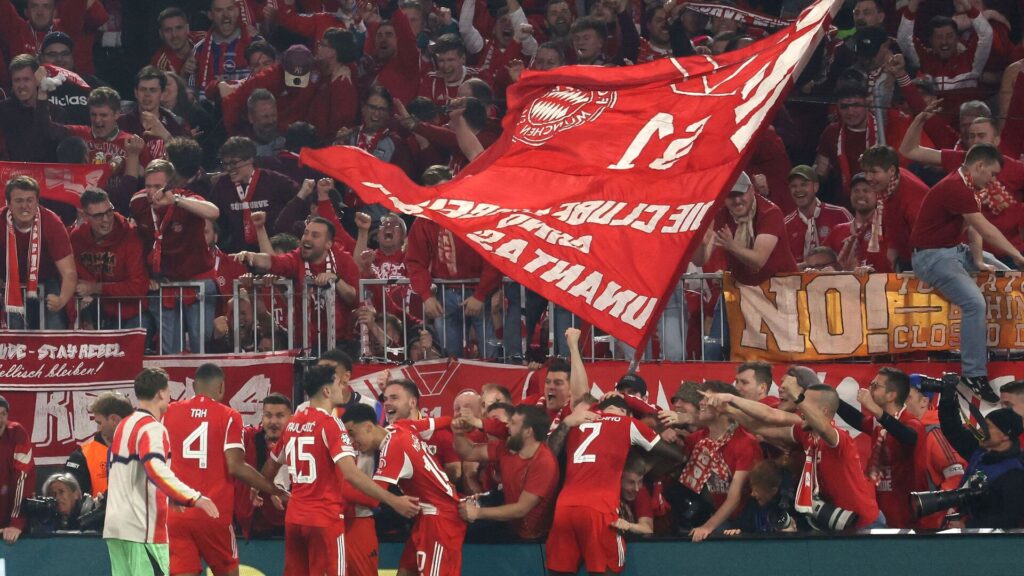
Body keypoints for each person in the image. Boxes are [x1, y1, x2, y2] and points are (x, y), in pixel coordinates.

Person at [264, 366, 419, 576]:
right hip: (325, 520)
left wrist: (269, 491)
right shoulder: (331, 425)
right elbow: (351, 474)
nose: (343, 388)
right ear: (327, 391)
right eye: (339, 384)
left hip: (294, 520)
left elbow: (269, 470)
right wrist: (394, 501)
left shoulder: (292, 425)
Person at [909, 144, 1024, 403]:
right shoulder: (955, 186)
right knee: (974, 302)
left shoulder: (969, 185)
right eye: (992, 174)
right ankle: (973, 374)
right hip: (931, 257)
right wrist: (1017, 255)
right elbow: (984, 227)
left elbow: (972, 228)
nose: (994, 180)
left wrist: (978, 260)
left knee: (1010, 280)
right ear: (980, 166)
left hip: (954, 250)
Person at [707, 369, 882, 530]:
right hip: (832, 521)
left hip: (863, 523)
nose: (800, 408)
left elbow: (822, 427)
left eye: (805, 404)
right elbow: (760, 428)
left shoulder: (839, 438)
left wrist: (797, 395)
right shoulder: (804, 434)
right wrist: (729, 409)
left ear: (824, 411)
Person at [164, 363, 285, 576]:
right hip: (213, 513)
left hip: (177, 514)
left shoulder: (170, 412)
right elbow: (236, 466)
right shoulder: (229, 415)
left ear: (193, 386)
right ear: (221, 387)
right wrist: (273, 490)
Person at [104, 368, 219, 576]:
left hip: (115, 526)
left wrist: (169, 496)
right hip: (141, 529)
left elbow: (123, 471)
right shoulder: (153, 428)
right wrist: (194, 498)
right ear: (160, 393)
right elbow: (155, 470)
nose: (170, 396)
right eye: (168, 391)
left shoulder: (124, 425)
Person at [545, 394, 665, 575]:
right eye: (632, 482)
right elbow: (674, 455)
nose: (636, 487)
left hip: (564, 506)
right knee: (606, 570)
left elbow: (547, 457)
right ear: (626, 412)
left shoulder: (577, 422)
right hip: (600, 508)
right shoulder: (626, 423)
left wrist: (567, 422)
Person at [342, 402, 466, 576]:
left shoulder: (393, 448)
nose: (351, 442)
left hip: (441, 519)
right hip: (426, 515)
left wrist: (335, 490)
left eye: (352, 433)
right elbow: (444, 421)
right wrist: (459, 422)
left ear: (369, 427)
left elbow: (373, 498)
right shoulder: (402, 426)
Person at [130, 159, 220, 354]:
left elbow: (213, 212)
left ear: (171, 186)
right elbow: (140, 242)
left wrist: (176, 201)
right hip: (165, 284)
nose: (152, 192)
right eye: (148, 186)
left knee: (200, 344)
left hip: (197, 280)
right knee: (169, 349)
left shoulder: (186, 199)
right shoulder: (138, 203)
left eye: (158, 187)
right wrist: (148, 276)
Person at [233, 216, 360, 353]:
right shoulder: (297, 257)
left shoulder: (343, 260)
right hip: (304, 343)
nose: (307, 238)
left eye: (315, 235)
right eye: (306, 233)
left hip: (339, 343)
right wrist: (251, 256)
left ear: (328, 244)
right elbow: (273, 262)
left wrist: (335, 280)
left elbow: (353, 299)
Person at [835, 367, 927, 528]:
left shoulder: (911, 423)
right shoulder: (878, 423)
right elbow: (858, 419)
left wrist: (877, 411)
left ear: (892, 395)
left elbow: (908, 437)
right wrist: (830, 398)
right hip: (882, 511)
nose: (870, 389)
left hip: (907, 517)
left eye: (875, 386)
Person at [455, 404, 559, 540]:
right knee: (455, 522)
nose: (507, 426)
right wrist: (458, 432)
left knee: (465, 533)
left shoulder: (544, 462)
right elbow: (468, 452)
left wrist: (478, 513)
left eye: (513, 423)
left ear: (528, 432)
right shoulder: (509, 447)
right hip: (509, 519)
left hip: (529, 536)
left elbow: (521, 509)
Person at [681, 380, 762, 542]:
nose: (701, 403)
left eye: (707, 399)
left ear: (722, 407)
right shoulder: (697, 440)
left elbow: (735, 497)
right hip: (715, 512)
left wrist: (708, 527)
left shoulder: (745, 442)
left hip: (747, 520)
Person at [938, 382, 1024, 528]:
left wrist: (970, 526)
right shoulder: (985, 448)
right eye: (1002, 405)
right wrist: (947, 399)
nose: (1004, 410)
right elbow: (954, 431)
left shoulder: (1014, 467)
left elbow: (1011, 517)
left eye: (1008, 405)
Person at [1, 175, 77, 329]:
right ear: (8, 204)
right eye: (19, 201)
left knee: (54, 326)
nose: (25, 206)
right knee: (13, 334)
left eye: (30, 200)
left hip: (47, 280)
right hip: (9, 282)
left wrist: (61, 299)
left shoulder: (52, 222)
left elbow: (69, 272)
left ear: (37, 202)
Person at [70, 188, 150, 329]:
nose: (106, 220)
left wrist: (95, 288)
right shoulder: (76, 238)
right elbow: (73, 275)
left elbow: (138, 286)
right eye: (98, 216)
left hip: (131, 315)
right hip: (94, 313)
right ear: (85, 215)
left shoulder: (130, 237)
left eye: (109, 212)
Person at [209, 136, 298, 253]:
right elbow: (214, 217)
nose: (229, 168)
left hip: (272, 251)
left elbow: (298, 200)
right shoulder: (223, 184)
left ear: (250, 159)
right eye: (225, 164)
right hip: (238, 252)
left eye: (234, 163)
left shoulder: (273, 180)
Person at [896, 0, 992, 96]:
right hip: (929, 111)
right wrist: (914, 3)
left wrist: (966, 5)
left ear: (957, 39)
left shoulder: (970, 61)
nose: (944, 42)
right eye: (938, 37)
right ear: (930, 41)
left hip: (964, 111)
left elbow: (986, 35)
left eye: (949, 36)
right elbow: (904, 40)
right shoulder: (923, 60)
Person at [234, 393, 293, 539]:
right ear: (262, 417)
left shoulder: (300, 442)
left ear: (291, 418)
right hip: (251, 527)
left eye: (280, 416)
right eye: (268, 415)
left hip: (290, 524)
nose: (273, 421)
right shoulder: (248, 437)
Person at [64, 391, 133, 496]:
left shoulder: (145, 447)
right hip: (100, 512)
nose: (98, 429)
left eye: (99, 423)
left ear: (115, 420)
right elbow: (74, 502)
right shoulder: (81, 456)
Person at [782, 165, 851, 266]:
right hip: (800, 280)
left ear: (816, 187)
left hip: (838, 279)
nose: (798, 190)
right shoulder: (785, 225)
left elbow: (856, 251)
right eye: (794, 186)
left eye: (803, 185)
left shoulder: (839, 214)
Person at [0, 394, 34, 545]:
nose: (0, 419)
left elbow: (22, 479)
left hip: (10, 521)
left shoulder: (16, 433)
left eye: (3, 414)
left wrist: (16, 522)